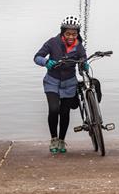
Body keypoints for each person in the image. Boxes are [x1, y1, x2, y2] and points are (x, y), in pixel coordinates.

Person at [34, 15, 87, 154]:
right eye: (68, 33)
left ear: (77, 34)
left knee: (65, 112)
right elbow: (37, 57)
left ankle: (62, 140)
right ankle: (54, 139)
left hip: (69, 84)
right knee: (53, 109)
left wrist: (84, 65)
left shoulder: (79, 46)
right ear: (63, 32)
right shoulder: (52, 42)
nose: (71, 36)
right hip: (52, 82)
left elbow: (83, 60)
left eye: (74, 34)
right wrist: (46, 62)